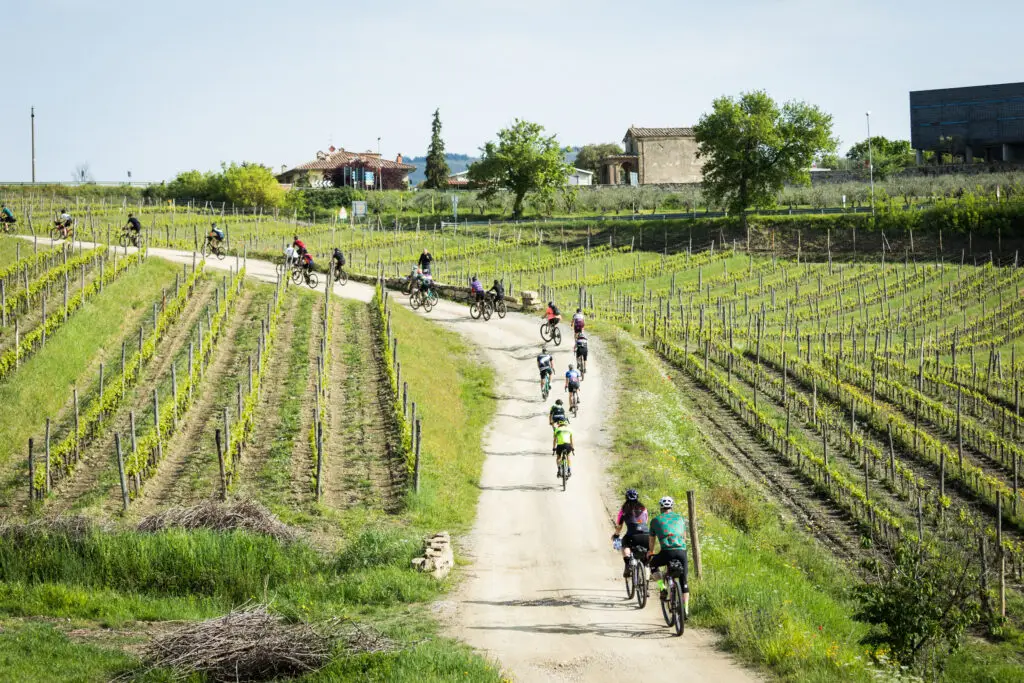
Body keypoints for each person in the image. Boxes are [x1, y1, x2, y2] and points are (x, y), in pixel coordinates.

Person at [647, 495, 690, 617]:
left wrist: (650, 552)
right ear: (672, 506)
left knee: (653, 565)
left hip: (667, 551)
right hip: (681, 551)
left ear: (661, 507)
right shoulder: (680, 518)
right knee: (684, 581)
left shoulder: (656, 520)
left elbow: (651, 540)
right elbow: (684, 537)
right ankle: (685, 610)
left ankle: (662, 588)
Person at [612, 489, 650, 578]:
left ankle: (628, 563)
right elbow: (646, 521)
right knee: (647, 558)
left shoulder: (623, 510)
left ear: (626, 498)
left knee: (624, 544)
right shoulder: (644, 509)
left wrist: (616, 535)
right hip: (646, 534)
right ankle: (655, 582)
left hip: (632, 535)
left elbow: (619, 526)